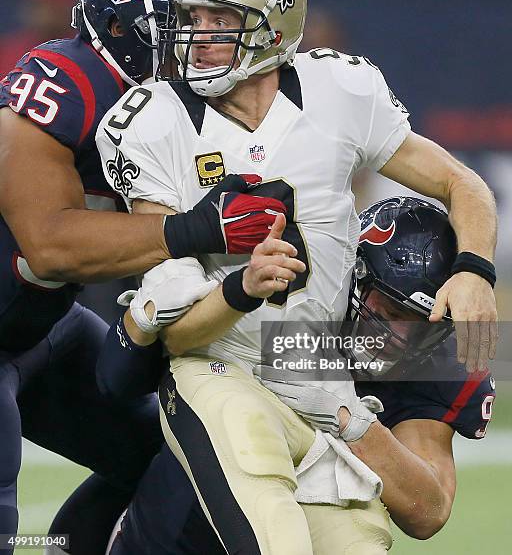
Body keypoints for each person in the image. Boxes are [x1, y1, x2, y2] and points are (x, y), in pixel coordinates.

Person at [95, 0, 498, 552]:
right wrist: (239, 287)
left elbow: (460, 182)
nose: (198, 36)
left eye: (220, 21)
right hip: (222, 364)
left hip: (315, 364)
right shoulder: (153, 121)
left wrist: (474, 269)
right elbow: (175, 331)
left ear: (272, 26)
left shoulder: (339, 88)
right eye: (193, 19)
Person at [0, 0, 284, 552]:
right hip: (21, 318)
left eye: (207, 22)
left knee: (180, 459)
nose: (197, 41)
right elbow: (48, 244)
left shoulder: (190, 106)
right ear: (119, 28)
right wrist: (199, 228)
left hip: (39, 328)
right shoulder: (65, 81)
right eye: (179, 23)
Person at [98, 197, 495, 553]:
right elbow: (125, 375)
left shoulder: (441, 363)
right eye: (390, 312)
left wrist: (354, 424)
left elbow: (428, 511)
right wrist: (150, 320)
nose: (400, 337)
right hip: (180, 525)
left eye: (422, 323)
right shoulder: (298, 297)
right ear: (354, 277)